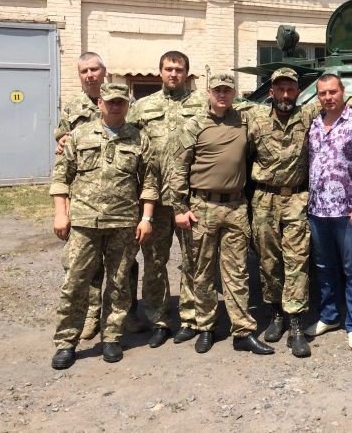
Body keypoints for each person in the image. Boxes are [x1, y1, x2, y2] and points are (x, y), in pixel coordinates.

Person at [49, 83, 157, 369]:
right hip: (84, 222)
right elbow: (61, 177)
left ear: (127, 105)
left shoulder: (139, 139)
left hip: (124, 222)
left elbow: (149, 183)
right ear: (100, 104)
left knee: (119, 283)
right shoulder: (78, 136)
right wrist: (61, 214)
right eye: (110, 102)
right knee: (75, 281)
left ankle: (111, 336)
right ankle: (66, 342)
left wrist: (146, 218)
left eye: (121, 102)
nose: (116, 106)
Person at [170, 73, 274, 355]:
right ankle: (206, 327)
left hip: (236, 207)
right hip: (202, 206)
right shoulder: (194, 125)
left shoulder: (244, 119)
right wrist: (180, 208)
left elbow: (272, 111)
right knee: (202, 271)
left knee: (237, 271)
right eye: (217, 90)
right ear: (208, 91)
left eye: (227, 90)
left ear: (234, 93)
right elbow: (178, 168)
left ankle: (242, 330)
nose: (222, 95)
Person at [127, 51, 208, 348]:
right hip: (155, 200)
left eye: (179, 69)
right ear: (159, 72)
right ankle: (159, 319)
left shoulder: (202, 104)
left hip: (191, 198)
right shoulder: (143, 107)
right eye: (168, 69)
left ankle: (190, 317)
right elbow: (122, 136)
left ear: (187, 72)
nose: (173, 73)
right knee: (154, 261)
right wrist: (65, 137)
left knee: (192, 260)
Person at [241, 67, 314, 358]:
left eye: (291, 89)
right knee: (268, 262)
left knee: (296, 261)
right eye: (280, 89)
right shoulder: (255, 120)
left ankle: (296, 323)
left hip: (296, 198)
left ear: (297, 92)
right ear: (271, 92)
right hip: (264, 199)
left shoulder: (307, 116)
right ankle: (276, 315)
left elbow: (344, 99)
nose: (286, 95)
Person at [303, 73, 352, 352]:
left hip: (348, 211)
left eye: (332, 92)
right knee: (324, 267)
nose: (328, 97)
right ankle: (330, 316)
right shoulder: (313, 125)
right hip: (318, 210)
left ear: (342, 92)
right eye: (322, 93)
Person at [52, 52, 118, 340]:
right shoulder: (73, 108)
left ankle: (122, 314)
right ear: (79, 75)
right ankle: (91, 315)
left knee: (123, 265)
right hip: (85, 200)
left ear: (104, 71)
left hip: (118, 200)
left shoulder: (122, 100)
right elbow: (62, 147)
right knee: (85, 266)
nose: (90, 74)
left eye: (94, 69)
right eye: (84, 71)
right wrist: (61, 209)